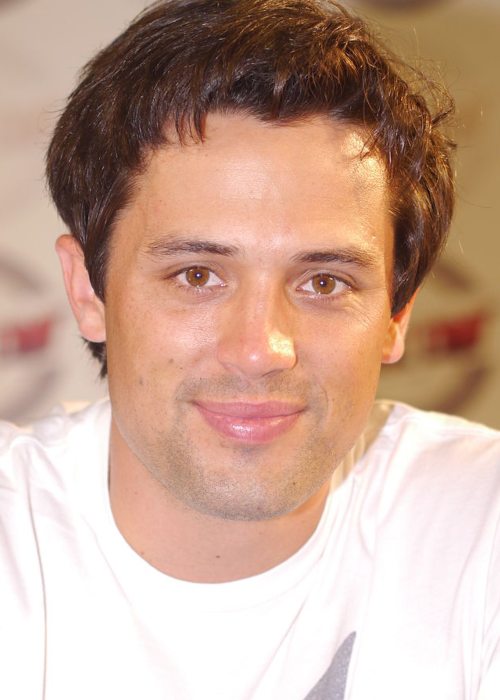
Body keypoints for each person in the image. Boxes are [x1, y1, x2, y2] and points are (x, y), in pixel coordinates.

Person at [1, 0, 499, 698]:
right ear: (88, 290)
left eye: (324, 281)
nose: (261, 349)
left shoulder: (481, 523)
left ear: (396, 315)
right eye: (197, 276)